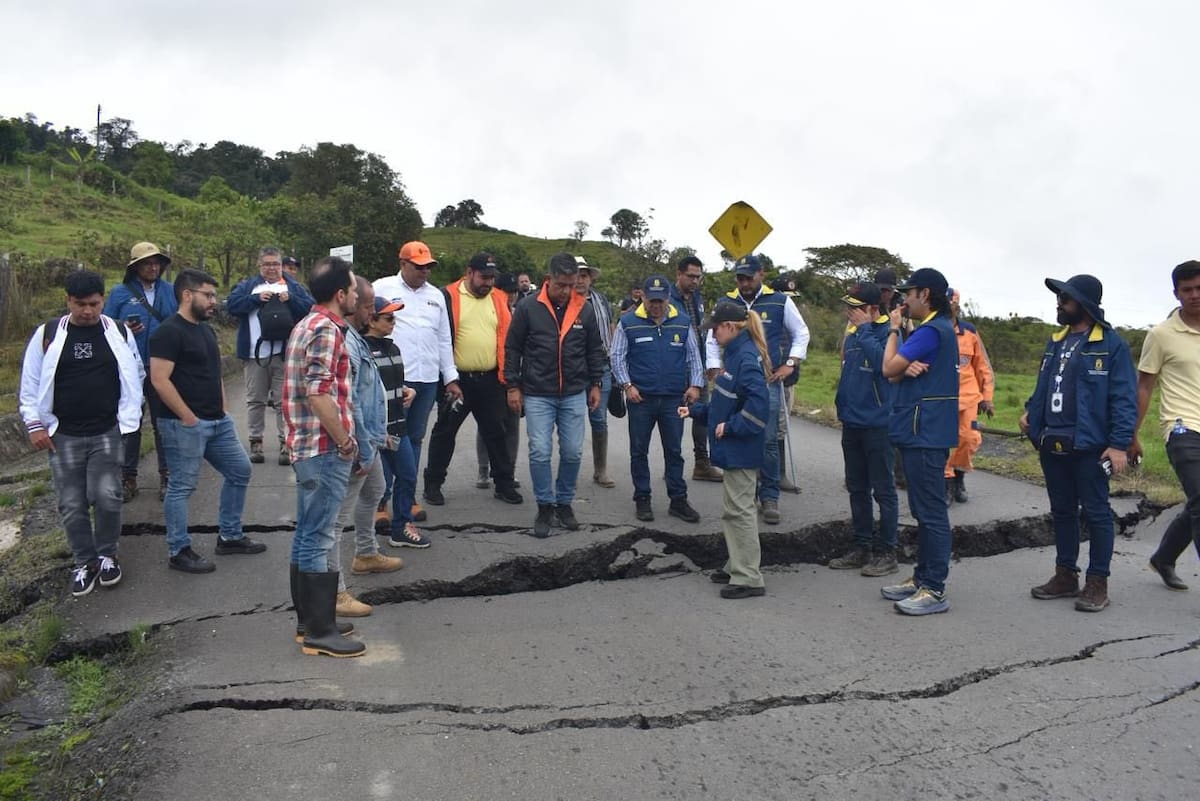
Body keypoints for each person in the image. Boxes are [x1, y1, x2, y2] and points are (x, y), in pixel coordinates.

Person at [20, 270, 144, 596]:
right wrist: (35, 424)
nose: (87, 311)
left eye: (94, 304)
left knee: (107, 496)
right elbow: (30, 382)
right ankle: (84, 562)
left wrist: (127, 418)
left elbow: (135, 373)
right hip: (63, 434)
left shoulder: (118, 332)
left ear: (103, 300)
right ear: (68, 301)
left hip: (107, 430)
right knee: (71, 502)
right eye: (80, 304)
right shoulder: (48, 333)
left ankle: (107, 555)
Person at [1021, 275, 1136, 613]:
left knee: (1097, 513)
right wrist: (1031, 412)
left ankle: (1097, 582)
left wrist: (1119, 444)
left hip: (1090, 446)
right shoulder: (1056, 341)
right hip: (1052, 442)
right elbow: (1045, 384)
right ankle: (1065, 575)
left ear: (1084, 303)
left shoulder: (1111, 345)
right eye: (1059, 298)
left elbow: (1124, 398)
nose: (1059, 303)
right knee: (1062, 511)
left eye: (1065, 298)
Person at [150, 269, 266, 574]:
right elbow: (159, 380)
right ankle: (179, 550)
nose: (214, 301)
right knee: (182, 486)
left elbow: (215, 373)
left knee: (240, 470)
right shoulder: (168, 332)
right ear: (187, 295)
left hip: (217, 422)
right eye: (208, 295)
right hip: (183, 425)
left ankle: (229, 536)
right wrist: (187, 417)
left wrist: (223, 408)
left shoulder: (206, 331)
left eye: (215, 295)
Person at [282, 256, 364, 658]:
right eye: (353, 289)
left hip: (307, 446)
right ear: (340, 294)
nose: (357, 296)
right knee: (319, 536)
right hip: (325, 448)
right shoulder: (328, 330)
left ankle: (310, 622)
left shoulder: (305, 324)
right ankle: (320, 632)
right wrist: (345, 440)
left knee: (307, 533)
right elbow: (318, 394)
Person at [504, 253, 607, 538]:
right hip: (538, 393)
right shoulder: (527, 307)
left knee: (573, 451)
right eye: (561, 285)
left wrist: (596, 384)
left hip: (574, 392)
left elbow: (594, 349)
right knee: (539, 451)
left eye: (571, 285)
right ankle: (545, 505)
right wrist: (513, 386)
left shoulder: (583, 308)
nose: (566, 291)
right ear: (548, 280)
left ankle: (564, 502)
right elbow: (512, 348)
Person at [705, 254, 809, 524]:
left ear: (761, 274)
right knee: (739, 432)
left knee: (768, 439)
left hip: (768, 380)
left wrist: (790, 363)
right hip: (734, 380)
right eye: (739, 278)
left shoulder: (779, 301)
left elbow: (801, 333)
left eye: (748, 278)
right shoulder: (727, 302)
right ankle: (746, 492)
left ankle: (770, 495)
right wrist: (714, 368)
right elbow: (711, 339)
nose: (744, 283)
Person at [879, 267, 958, 616]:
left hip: (925, 432)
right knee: (923, 510)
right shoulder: (935, 329)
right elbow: (896, 374)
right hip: (921, 430)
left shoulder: (931, 330)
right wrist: (901, 367)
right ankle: (921, 578)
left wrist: (893, 329)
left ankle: (934, 588)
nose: (904, 300)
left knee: (931, 512)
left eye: (909, 293)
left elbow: (887, 368)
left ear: (924, 294)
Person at [680, 301, 770, 599]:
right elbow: (724, 404)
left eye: (716, 328)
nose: (713, 334)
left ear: (731, 327)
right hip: (734, 448)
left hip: (741, 449)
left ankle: (748, 578)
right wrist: (695, 411)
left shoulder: (745, 358)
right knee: (734, 510)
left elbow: (759, 410)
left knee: (740, 512)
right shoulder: (733, 355)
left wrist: (731, 427)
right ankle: (736, 565)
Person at [328, 277, 405, 619]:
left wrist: (377, 433)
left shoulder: (355, 336)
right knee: (333, 522)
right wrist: (360, 444)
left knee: (375, 489)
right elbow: (352, 399)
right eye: (368, 305)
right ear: (351, 303)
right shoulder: (346, 340)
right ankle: (334, 592)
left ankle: (366, 553)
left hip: (368, 437)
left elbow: (369, 393)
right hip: (355, 441)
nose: (372, 312)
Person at [423, 253, 523, 507]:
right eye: (483, 277)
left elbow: (508, 340)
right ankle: (433, 484)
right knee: (444, 432)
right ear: (469, 273)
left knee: (496, 433)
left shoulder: (498, 298)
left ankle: (504, 484)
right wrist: (448, 378)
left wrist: (509, 380)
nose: (488, 283)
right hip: (456, 380)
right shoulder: (447, 296)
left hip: (490, 379)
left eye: (492, 278)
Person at [372, 241, 461, 523]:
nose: (424, 272)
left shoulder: (436, 295)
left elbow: (444, 338)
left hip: (427, 379)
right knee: (389, 440)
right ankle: (380, 501)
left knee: (414, 438)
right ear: (403, 264)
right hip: (394, 378)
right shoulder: (382, 288)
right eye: (419, 267)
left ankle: (407, 498)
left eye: (428, 267)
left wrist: (450, 377)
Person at [611, 275, 703, 523]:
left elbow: (693, 356)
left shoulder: (682, 322)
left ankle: (678, 500)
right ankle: (642, 498)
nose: (656, 306)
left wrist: (696, 385)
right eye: (652, 300)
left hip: (674, 399)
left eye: (660, 301)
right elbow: (617, 356)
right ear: (643, 297)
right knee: (638, 451)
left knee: (674, 451)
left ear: (668, 298)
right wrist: (627, 385)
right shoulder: (628, 322)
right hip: (641, 399)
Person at [1131, 261, 1200, 591]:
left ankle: (1164, 558)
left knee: (1198, 502)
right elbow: (1144, 386)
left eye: (1199, 288)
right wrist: (1131, 434)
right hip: (1181, 427)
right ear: (1176, 293)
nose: (1195, 295)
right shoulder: (1161, 335)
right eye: (1187, 290)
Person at [828, 282, 899, 577]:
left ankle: (887, 552)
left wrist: (866, 329)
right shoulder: (855, 334)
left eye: (855, 307)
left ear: (872, 309)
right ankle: (862, 546)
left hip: (878, 425)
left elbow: (884, 364)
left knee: (883, 490)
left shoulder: (888, 333)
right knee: (857, 488)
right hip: (852, 422)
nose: (849, 312)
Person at [103, 241, 178, 502]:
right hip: (129, 369)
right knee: (130, 422)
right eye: (147, 263)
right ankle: (128, 478)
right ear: (135, 267)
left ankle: (167, 476)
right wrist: (123, 328)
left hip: (162, 366)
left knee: (163, 423)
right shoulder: (120, 293)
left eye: (157, 263)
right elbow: (106, 326)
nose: (153, 267)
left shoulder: (170, 291)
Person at [226, 246, 314, 466]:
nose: (272, 268)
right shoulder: (248, 286)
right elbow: (232, 305)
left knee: (284, 401)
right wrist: (255, 299)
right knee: (255, 399)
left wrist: (291, 299)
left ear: (281, 265)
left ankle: (286, 442)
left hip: (285, 353)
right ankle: (256, 441)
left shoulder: (293, 286)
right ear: (260, 265)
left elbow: (310, 308)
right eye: (267, 264)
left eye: (275, 264)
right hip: (254, 354)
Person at [363, 297, 429, 549]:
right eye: (388, 318)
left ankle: (401, 527)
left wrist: (407, 390)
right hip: (374, 430)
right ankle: (365, 540)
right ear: (372, 320)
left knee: (408, 474)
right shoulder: (361, 350)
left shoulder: (393, 349)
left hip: (398, 426)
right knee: (374, 487)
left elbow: (393, 383)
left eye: (394, 317)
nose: (394, 322)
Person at [670, 255, 723, 483]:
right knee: (676, 418)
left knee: (702, 415)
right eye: (690, 276)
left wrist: (708, 363)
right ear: (679, 274)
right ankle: (672, 466)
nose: (694, 281)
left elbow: (703, 333)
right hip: (675, 367)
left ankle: (702, 463)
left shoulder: (697, 297)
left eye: (698, 277)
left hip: (698, 367)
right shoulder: (667, 298)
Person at [943, 288, 995, 503]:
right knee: (944, 441)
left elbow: (982, 366)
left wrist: (987, 397)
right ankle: (946, 483)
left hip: (969, 396)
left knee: (969, 438)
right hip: (942, 397)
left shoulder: (970, 332)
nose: (949, 306)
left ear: (957, 305)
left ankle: (959, 476)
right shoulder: (933, 330)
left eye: (952, 303)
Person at [575, 256, 617, 488]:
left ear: (590, 279)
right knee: (571, 420)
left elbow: (610, 328)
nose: (580, 280)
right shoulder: (564, 301)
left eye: (584, 275)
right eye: (576, 275)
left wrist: (614, 360)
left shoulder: (601, 300)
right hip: (573, 368)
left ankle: (600, 470)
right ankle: (569, 469)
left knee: (599, 419)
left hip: (601, 366)